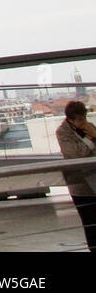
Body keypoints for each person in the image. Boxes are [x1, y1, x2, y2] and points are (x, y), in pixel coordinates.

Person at [55, 101, 96, 251]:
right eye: (79, 119)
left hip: (94, 178)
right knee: (90, 221)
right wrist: (92, 139)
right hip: (80, 184)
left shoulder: (90, 127)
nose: (83, 122)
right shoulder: (63, 132)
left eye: (84, 118)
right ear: (70, 119)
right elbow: (75, 154)